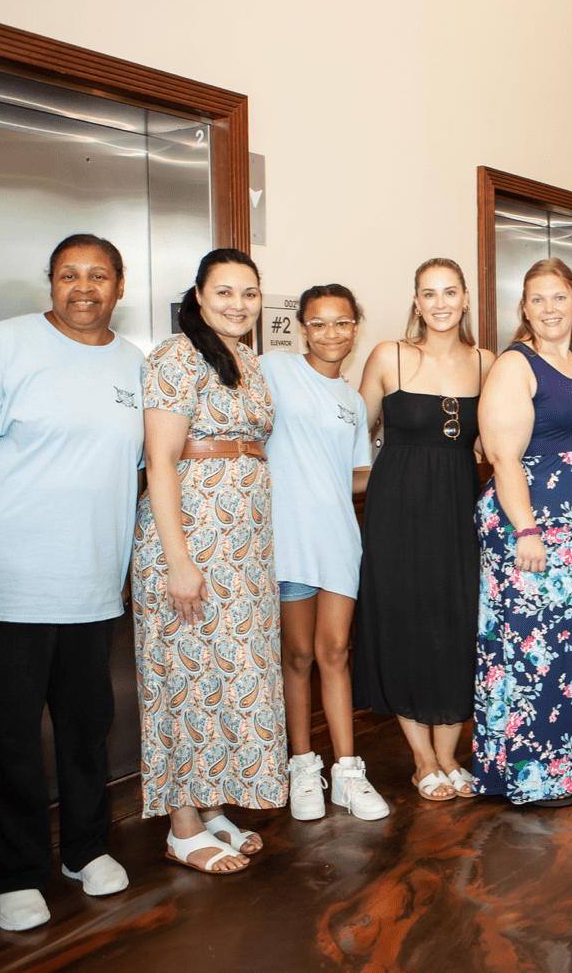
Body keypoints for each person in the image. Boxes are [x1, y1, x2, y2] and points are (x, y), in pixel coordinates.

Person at [0, 234, 141, 930]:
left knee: (88, 730)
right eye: (68, 274)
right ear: (50, 282)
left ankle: (85, 850)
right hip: (11, 578)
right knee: (13, 736)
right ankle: (15, 876)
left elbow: (146, 469)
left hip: (93, 583)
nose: (84, 287)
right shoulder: (9, 343)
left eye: (98, 275)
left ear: (119, 286)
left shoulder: (135, 364)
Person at [132, 248, 280, 874]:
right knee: (183, 675)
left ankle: (212, 803)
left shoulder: (247, 359)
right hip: (191, 539)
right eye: (224, 292)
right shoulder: (175, 356)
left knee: (225, 675)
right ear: (198, 296)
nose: (238, 305)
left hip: (242, 547)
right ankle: (182, 825)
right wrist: (179, 562)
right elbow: (161, 460)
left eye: (249, 293)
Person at [473, 258, 572, 806]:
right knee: (536, 650)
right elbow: (503, 457)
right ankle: (535, 775)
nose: (549, 308)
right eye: (537, 299)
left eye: (559, 297)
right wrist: (526, 531)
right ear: (524, 309)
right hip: (535, 524)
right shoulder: (516, 364)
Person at [355, 259, 493, 802]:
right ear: (416, 301)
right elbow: (354, 434)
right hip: (396, 512)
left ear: (465, 299)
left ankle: (450, 755)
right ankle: (423, 760)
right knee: (405, 624)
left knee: (458, 624)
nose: (440, 303)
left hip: (460, 510)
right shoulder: (388, 355)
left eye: (449, 292)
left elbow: (494, 441)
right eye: (429, 293)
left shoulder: (486, 362)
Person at [262, 285, 387, 821]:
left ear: (356, 327)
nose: (330, 333)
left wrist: (399, 467)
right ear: (302, 329)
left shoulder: (353, 402)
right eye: (318, 323)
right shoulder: (274, 370)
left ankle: (348, 773)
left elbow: (352, 476)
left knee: (335, 653)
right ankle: (302, 767)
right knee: (297, 656)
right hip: (289, 540)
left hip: (338, 539)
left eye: (341, 322)